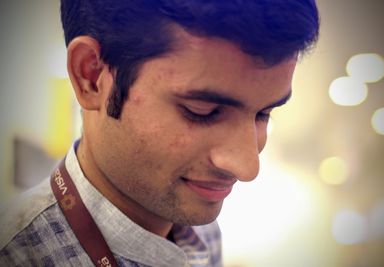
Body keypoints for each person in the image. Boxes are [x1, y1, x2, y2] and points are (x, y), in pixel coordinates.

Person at [0, 0, 319, 266]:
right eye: (201, 111)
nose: (247, 167)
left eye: (264, 114)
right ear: (91, 77)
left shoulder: (200, 231)